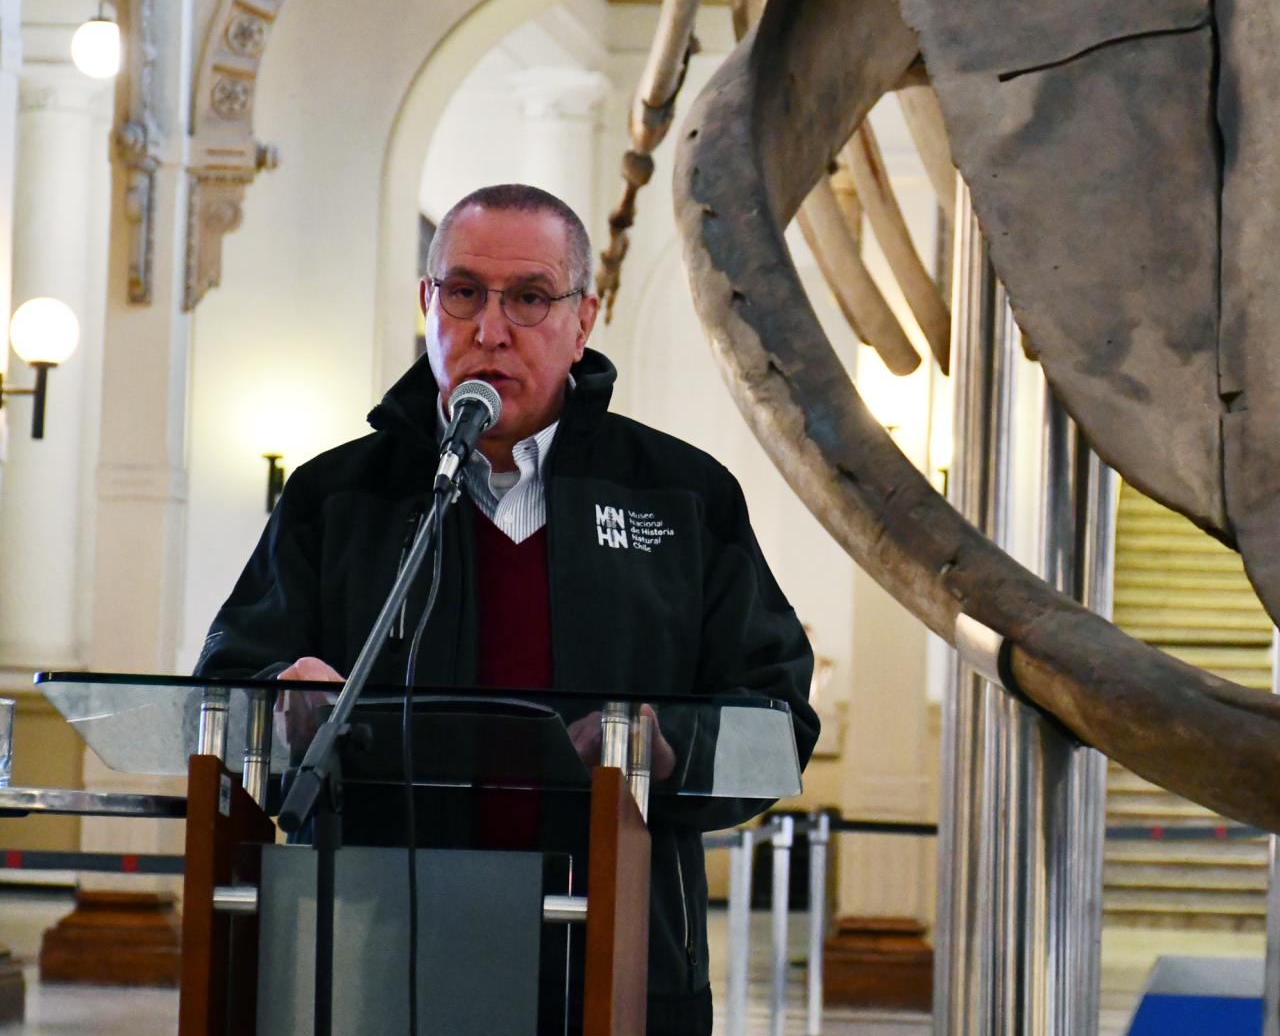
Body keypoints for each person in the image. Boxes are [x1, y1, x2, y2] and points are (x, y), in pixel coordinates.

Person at [193, 182, 817, 1034]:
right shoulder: (338, 497)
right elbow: (224, 690)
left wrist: (668, 749)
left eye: (528, 297)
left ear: (583, 317)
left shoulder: (680, 496)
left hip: (615, 962)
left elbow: (777, 717)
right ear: (427, 302)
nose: (491, 327)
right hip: (382, 958)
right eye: (464, 293)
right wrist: (277, 690)